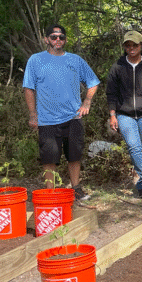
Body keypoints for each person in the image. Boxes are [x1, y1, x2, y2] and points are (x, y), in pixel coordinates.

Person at [23, 24, 100, 199]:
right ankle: (51, 193)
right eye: (54, 36)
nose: (58, 40)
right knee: (49, 159)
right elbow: (28, 88)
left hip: (73, 117)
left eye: (61, 37)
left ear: (65, 40)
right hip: (47, 120)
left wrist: (87, 102)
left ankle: (76, 188)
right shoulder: (35, 60)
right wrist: (33, 115)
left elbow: (93, 81)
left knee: (74, 155)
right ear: (46, 39)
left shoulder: (75, 60)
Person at [106, 30, 142, 200]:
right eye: (128, 45)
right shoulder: (117, 67)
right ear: (124, 47)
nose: (131, 48)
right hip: (125, 115)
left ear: (141, 46)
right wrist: (113, 115)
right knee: (134, 147)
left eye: (135, 45)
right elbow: (111, 94)